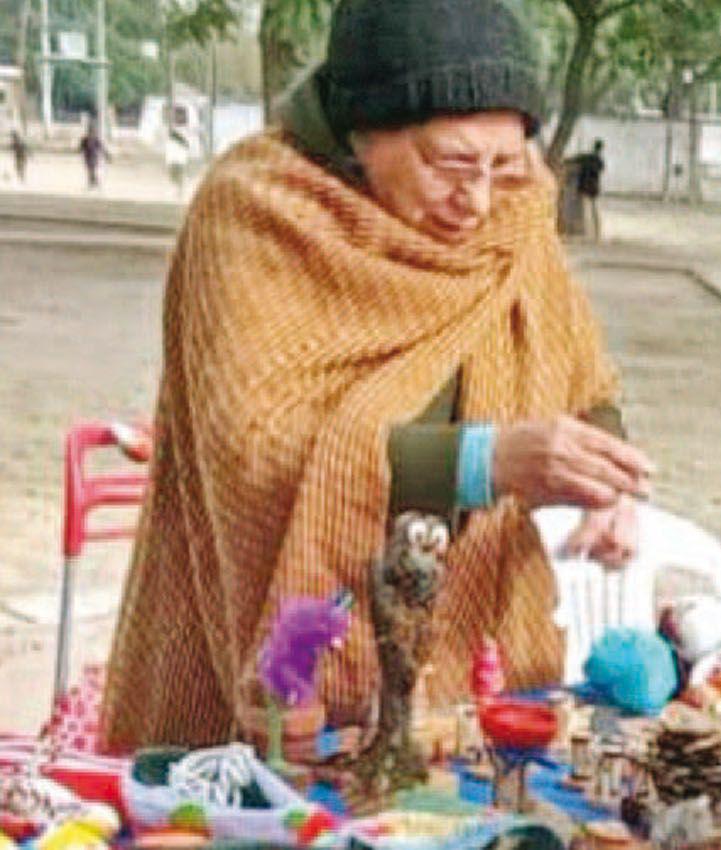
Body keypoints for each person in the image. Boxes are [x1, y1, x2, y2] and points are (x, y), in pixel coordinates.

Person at [101, 0, 653, 751]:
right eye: (451, 166)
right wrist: (485, 461)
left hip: (458, 666)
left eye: (505, 165)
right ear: (363, 130)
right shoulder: (255, 213)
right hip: (266, 664)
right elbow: (257, 452)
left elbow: (581, 373)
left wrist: (606, 474)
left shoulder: (511, 220)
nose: (480, 201)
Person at [574, 138, 605, 240]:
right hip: (594, 187)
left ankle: (586, 230)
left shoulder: (586, 157)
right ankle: (597, 232)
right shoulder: (599, 161)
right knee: (594, 210)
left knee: (585, 210)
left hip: (584, 187)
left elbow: (574, 160)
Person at [79, 116, 109, 190]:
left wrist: (107, 155)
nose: (91, 131)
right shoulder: (85, 139)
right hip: (88, 157)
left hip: (93, 156)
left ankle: (94, 182)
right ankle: (93, 182)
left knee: (92, 170)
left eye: (92, 130)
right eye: (91, 130)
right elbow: (81, 147)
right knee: (90, 170)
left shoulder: (95, 138)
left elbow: (101, 147)